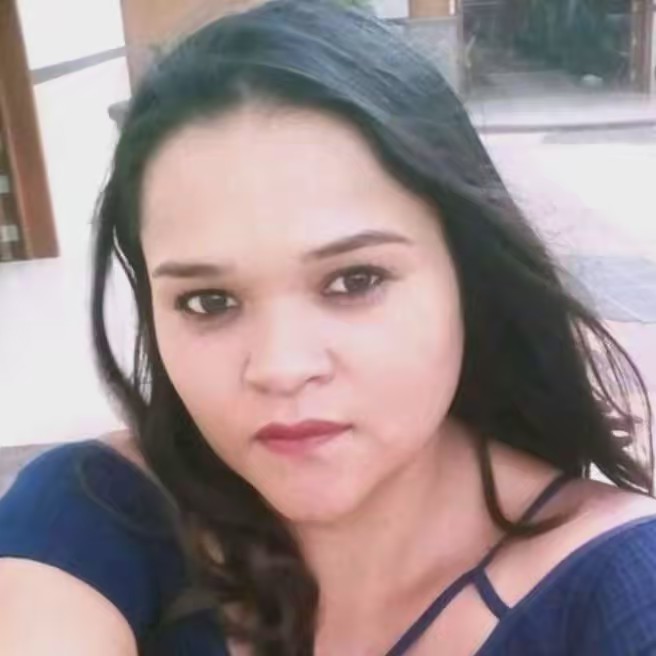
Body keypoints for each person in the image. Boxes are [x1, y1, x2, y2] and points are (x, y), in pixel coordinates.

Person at [1, 1, 655, 654]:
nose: (281, 367)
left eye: (354, 280)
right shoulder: (96, 511)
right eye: (209, 301)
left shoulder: (620, 591)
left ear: (469, 274)